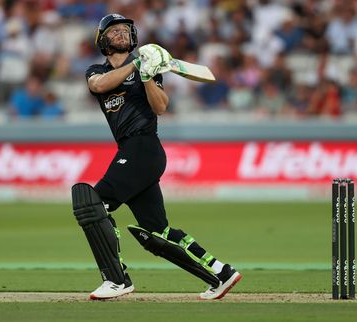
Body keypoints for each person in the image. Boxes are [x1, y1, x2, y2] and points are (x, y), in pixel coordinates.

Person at [71, 13, 241, 301]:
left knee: (92, 203)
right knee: (157, 233)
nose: (122, 33)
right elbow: (99, 86)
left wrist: (148, 75)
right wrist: (137, 64)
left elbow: (160, 107)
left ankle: (116, 279)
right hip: (132, 152)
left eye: (126, 30)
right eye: (114, 31)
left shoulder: (147, 70)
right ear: (103, 41)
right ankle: (221, 273)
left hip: (144, 148)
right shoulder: (96, 70)